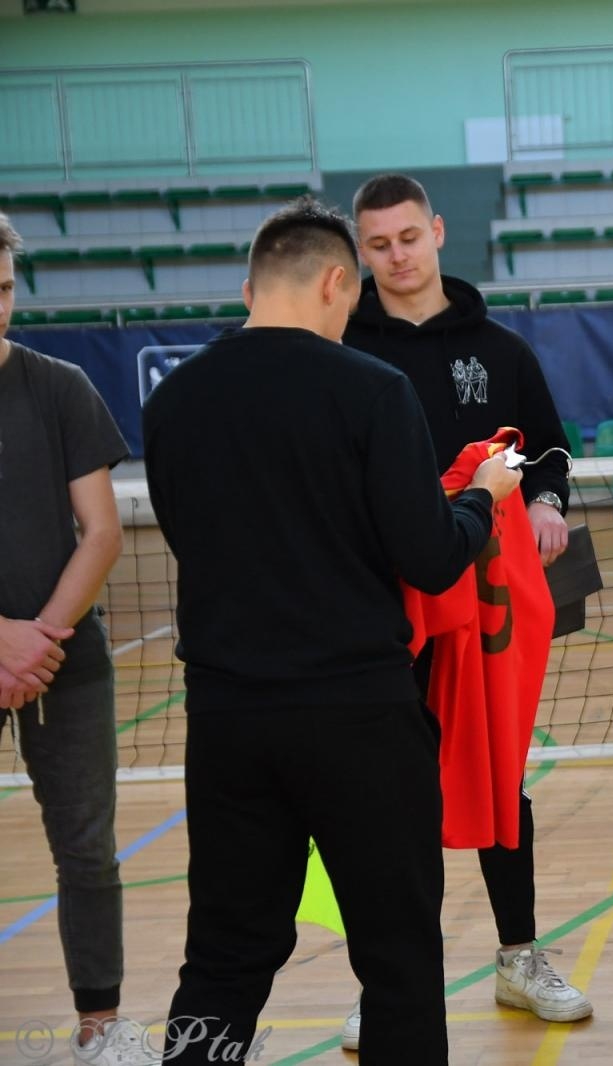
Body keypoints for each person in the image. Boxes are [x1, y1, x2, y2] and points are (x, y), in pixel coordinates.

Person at [146, 197, 523, 1065]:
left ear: (252, 287)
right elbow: (431, 557)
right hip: (358, 716)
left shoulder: (173, 399)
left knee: (225, 957)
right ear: (334, 282)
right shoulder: (371, 388)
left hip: (227, 718)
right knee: (397, 957)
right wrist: (481, 500)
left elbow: (188, 536)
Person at [342, 173, 589, 1046]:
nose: (397, 256)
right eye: (379, 245)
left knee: (498, 776)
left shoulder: (500, 349)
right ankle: (387, 984)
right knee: (386, 793)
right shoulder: (341, 344)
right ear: (360, 251)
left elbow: (548, 451)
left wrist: (549, 502)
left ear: (439, 231)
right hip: (382, 604)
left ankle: (519, 956)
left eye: (409, 237)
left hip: (485, 598)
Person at [0, 215, 156, 1066]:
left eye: (3, 289)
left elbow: (100, 532)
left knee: (88, 851)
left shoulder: (59, 386)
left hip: (65, 661)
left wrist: (38, 643)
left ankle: (101, 1024)